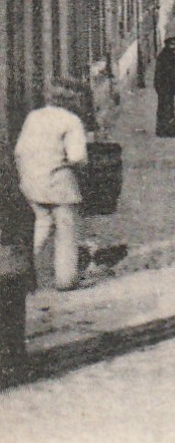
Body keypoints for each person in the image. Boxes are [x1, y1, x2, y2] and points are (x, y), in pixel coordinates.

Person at [15, 86, 89, 291]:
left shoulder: (33, 117)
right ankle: (65, 279)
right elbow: (77, 157)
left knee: (41, 225)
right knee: (66, 229)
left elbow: (19, 150)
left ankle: (24, 275)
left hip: (31, 182)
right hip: (59, 184)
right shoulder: (71, 121)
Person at [0, 146, 33, 384]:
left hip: (8, 255)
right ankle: (15, 366)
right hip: (8, 255)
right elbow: (22, 211)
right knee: (11, 314)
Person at [154, 36, 175, 137]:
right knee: (167, 108)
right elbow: (170, 73)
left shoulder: (167, 54)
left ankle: (164, 130)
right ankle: (169, 130)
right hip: (165, 86)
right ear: (169, 45)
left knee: (166, 108)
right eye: (174, 44)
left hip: (165, 86)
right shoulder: (167, 56)